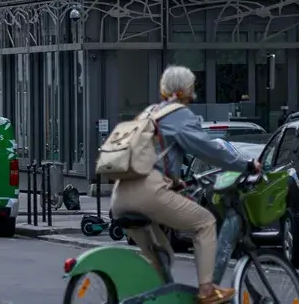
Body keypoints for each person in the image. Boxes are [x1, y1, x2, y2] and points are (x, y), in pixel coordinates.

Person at [111, 66, 260, 304]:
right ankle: (207, 290)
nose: (194, 92)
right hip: (148, 192)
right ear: (185, 90)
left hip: (120, 194)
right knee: (205, 223)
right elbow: (208, 150)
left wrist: (175, 181)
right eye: (192, 87)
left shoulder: (150, 112)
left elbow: (154, 155)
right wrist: (246, 165)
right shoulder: (178, 114)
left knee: (163, 259)